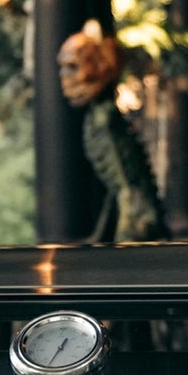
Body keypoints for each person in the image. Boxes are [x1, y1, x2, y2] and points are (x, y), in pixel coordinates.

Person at [58, 24, 165, 243]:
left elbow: (130, 188)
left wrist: (124, 237)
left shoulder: (106, 123)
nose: (64, 76)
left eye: (72, 67)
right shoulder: (97, 120)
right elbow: (119, 187)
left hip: (141, 226)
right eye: (63, 68)